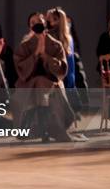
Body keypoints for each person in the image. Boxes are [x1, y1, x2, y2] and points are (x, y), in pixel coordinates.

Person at [12, 12, 84, 142]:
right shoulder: (24, 46)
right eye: (32, 23)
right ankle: (44, 128)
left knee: (43, 84)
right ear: (29, 27)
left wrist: (45, 56)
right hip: (29, 83)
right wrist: (35, 55)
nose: (36, 25)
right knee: (40, 83)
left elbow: (62, 69)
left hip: (51, 82)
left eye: (39, 21)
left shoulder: (56, 44)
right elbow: (20, 68)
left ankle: (44, 128)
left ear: (45, 23)